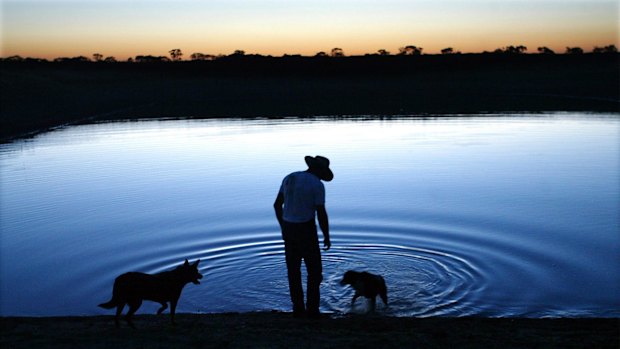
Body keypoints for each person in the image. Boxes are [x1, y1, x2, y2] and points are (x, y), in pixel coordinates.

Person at [274, 155, 333, 318]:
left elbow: (277, 205)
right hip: (306, 230)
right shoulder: (317, 185)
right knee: (315, 272)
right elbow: (321, 213)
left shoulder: (290, 177)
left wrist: (283, 227)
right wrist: (326, 236)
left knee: (293, 271)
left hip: (289, 229)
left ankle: (298, 308)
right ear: (319, 170)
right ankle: (313, 309)